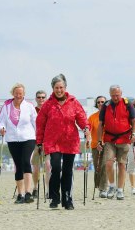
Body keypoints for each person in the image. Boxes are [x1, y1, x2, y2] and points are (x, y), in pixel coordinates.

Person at [36, 74, 90, 210]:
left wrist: (86, 129)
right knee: (56, 168)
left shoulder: (73, 102)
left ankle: (67, 198)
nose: (59, 90)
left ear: (65, 87)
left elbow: (82, 118)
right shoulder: (48, 105)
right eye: (56, 88)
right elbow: (40, 124)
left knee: (67, 170)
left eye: (61, 87)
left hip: (70, 141)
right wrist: (39, 142)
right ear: (52, 89)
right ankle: (54, 197)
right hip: (52, 142)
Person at [0, 83, 37, 204]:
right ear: (13, 94)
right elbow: (0, 121)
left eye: (21, 93)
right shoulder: (7, 106)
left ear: (24, 94)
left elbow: (36, 122)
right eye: (16, 93)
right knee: (18, 165)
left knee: (25, 162)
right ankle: (20, 194)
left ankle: (28, 193)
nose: (18, 95)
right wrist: (2, 128)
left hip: (28, 137)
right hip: (12, 138)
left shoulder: (29, 106)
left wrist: (39, 137)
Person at [97, 85, 135, 201]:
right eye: (113, 95)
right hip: (109, 139)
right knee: (108, 163)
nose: (115, 97)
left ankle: (120, 190)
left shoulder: (127, 104)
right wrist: (100, 140)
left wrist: (134, 134)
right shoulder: (106, 106)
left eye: (117, 95)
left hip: (124, 138)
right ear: (110, 95)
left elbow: (134, 121)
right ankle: (112, 186)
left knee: (121, 164)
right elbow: (100, 124)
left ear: (121, 93)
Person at [30, 90, 51, 198]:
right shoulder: (32, 110)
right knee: (36, 167)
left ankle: (48, 190)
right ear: (36, 98)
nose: (41, 99)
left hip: (48, 142)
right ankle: (35, 188)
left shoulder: (50, 110)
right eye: (39, 97)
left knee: (48, 166)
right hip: (35, 142)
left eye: (43, 97)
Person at [88, 95, 108, 198]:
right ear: (96, 104)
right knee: (97, 167)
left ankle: (103, 188)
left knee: (104, 165)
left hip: (107, 144)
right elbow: (88, 128)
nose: (101, 104)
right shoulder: (92, 117)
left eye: (103, 102)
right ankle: (99, 186)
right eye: (99, 102)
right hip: (95, 145)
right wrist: (87, 135)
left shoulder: (109, 115)